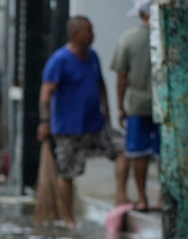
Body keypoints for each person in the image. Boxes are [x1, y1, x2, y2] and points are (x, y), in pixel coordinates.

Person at [38, 16, 129, 225]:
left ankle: (121, 195)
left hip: (94, 125)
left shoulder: (92, 56)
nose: (93, 34)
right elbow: (46, 93)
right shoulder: (59, 60)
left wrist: (107, 111)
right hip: (68, 129)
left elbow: (100, 84)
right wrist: (45, 122)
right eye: (89, 30)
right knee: (67, 173)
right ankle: (68, 218)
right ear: (77, 34)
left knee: (123, 147)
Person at [111, 0, 160, 211]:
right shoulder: (168, 39)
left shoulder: (128, 39)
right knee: (163, 154)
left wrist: (120, 106)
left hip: (138, 105)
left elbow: (122, 76)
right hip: (164, 105)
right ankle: (164, 198)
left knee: (139, 154)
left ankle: (142, 198)